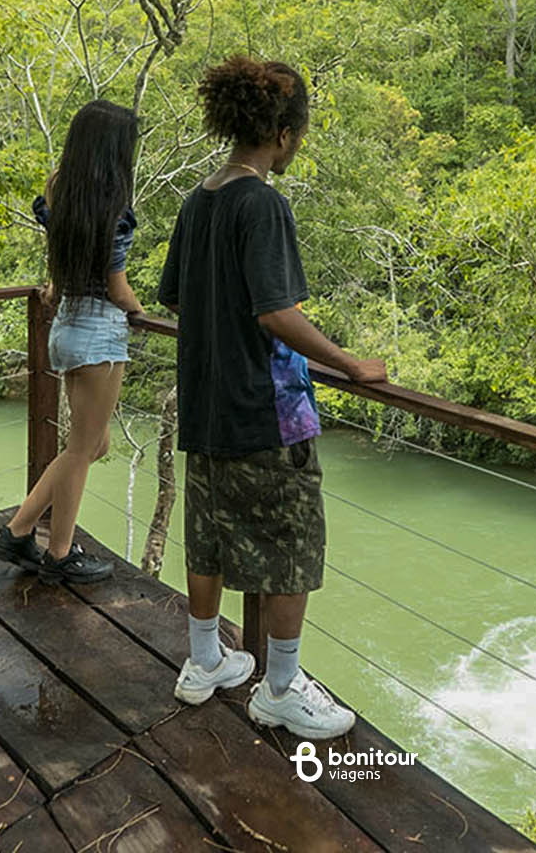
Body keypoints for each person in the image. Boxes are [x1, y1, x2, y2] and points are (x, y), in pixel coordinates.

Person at [158, 55, 386, 739]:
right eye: (300, 132)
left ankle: (205, 663)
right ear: (283, 132)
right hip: (266, 411)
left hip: (204, 404)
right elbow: (274, 312)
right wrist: (350, 362)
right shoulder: (262, 204)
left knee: (209, 537)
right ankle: (280, 688)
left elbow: (173, 296)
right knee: (292, 546)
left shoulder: (200, 200)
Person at [0, 99, 145, 585]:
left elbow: (63, 268)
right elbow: (117, 288)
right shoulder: (111, 203)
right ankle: (58, 554)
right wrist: (140, 312)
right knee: (82, 449)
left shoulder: (60, 189)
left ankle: (17, 531)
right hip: (99, 333)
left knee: (94, 445)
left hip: (67, 326)